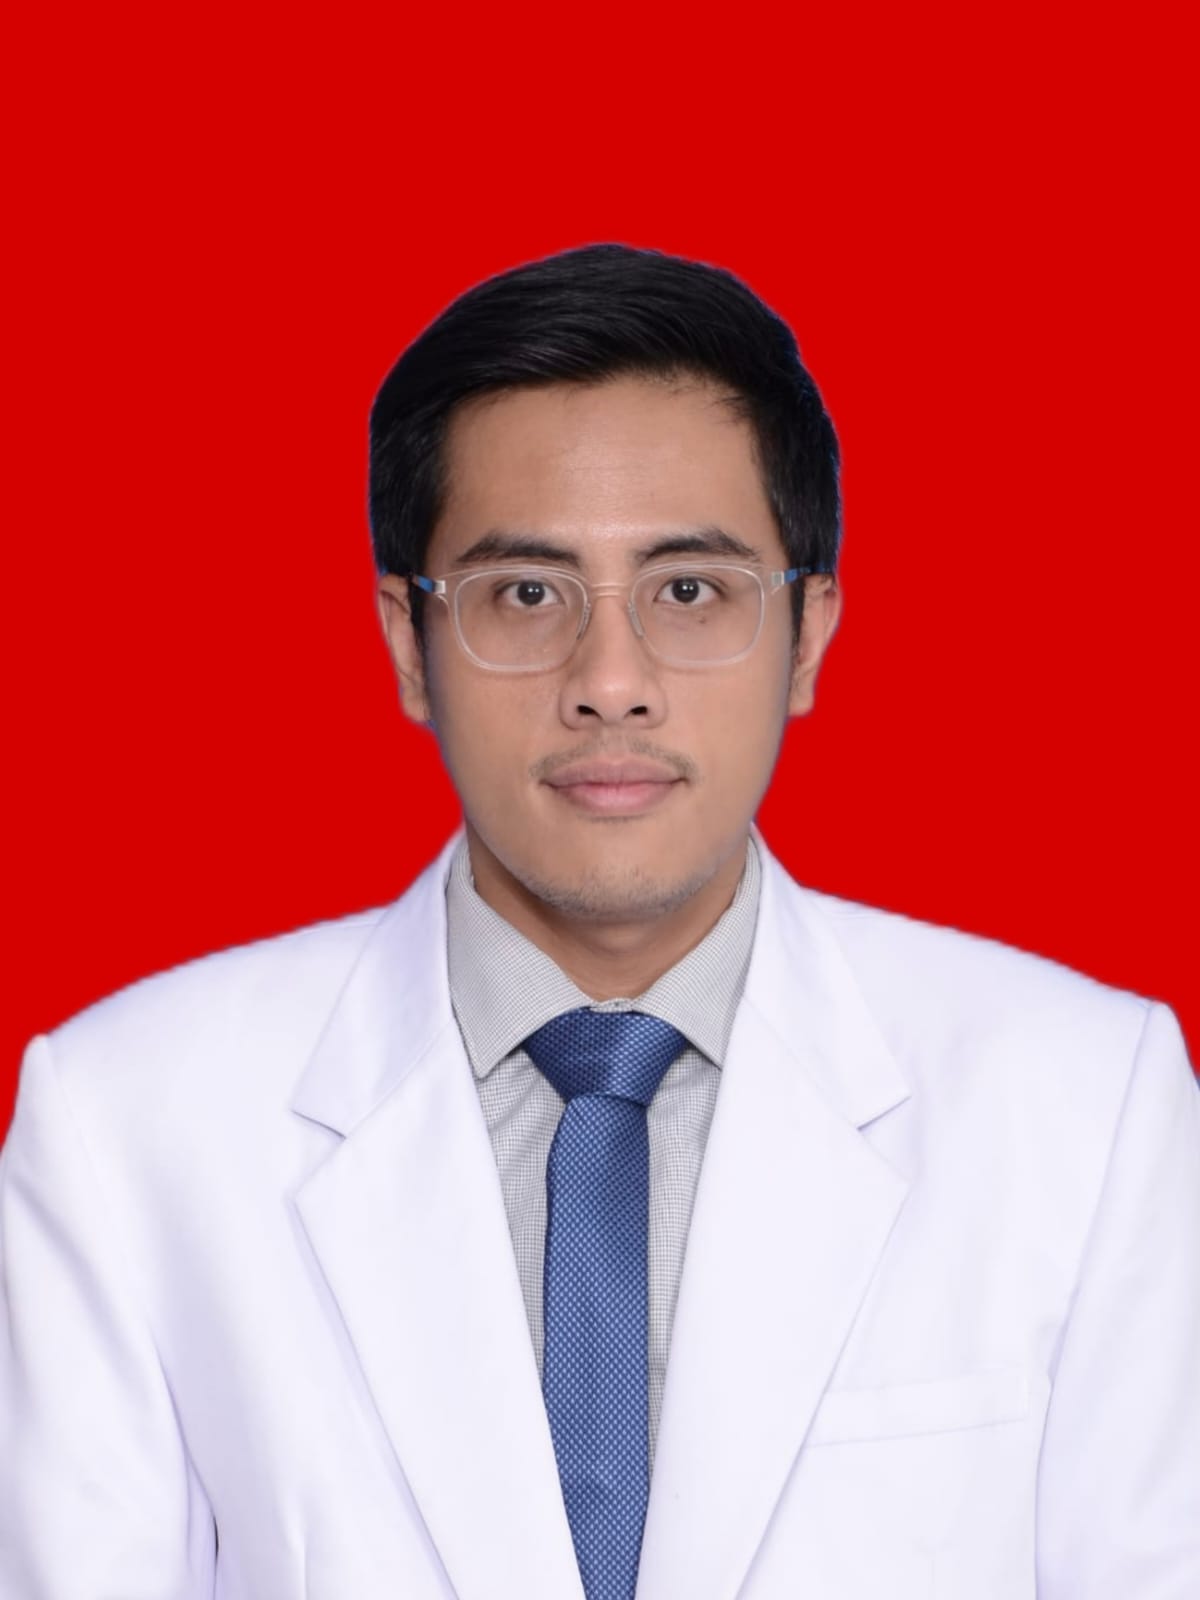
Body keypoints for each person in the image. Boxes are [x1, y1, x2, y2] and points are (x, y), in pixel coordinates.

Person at [1, 243, 1197, 1600]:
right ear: (406, 644)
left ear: (808, 636)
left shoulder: (1083, 1103)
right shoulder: (126, 1126)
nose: (611, 682)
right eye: (525, 595)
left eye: (690, 591)